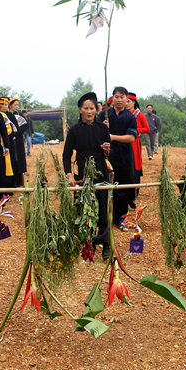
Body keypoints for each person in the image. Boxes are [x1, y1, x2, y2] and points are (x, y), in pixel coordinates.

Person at [63, 92, 111, 258]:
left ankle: (106, 243)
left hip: (100, 169)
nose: (89, 111)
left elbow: (108, 154)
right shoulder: (74, 130)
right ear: (80, 110)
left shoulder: (103, 128)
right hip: (82, 170)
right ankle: (87, 243)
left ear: (96, 110)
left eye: (92, 108)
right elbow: (66, 154)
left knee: (103, 205)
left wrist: (107, 150)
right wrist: (69, 174)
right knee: (84, 206)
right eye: (86, 108)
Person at [97, 87, 137, 231]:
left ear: (127, 99)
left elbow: (131, 138)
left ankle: (120, 219)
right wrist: (103, 128)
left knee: (122, 188)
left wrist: (112, 136)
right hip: (106, 157)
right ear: (112, 98)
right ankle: (105, 218)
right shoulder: (103, 115)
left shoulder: (130, 117)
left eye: (122, 97)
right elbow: (96, 134)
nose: (119, 100)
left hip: (124, 157)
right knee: (105, 187)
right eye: (116, 97)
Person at [126, 93, 149, 205]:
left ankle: (132, 197)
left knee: (134, 166)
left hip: (134, 143)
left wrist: (134, 130)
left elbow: (146, 128)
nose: (126, 104)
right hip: (123, 142)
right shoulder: (122, 113)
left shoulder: (139, 115)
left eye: (128, 101)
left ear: (134, 102)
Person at [9, 97, 27, 186]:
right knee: (13, 159)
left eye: (17, 105)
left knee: (20, 159)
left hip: (19, 139)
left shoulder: (19, 114)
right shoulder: (7, 115)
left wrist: (18, 131)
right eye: (15, 105)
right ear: (10, 105)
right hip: (10, 139)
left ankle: (20, 180)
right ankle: (13, 181)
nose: (17, 106)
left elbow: (24, 125)